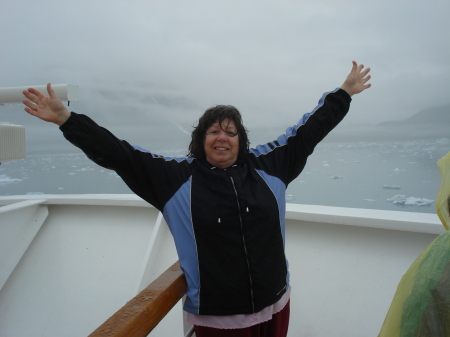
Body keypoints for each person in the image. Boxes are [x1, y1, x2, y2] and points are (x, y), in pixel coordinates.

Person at [22, 61, 371, 337]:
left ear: (241, 140)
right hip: (218, 322)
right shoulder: (175, 179)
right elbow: (120, 154)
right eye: (214, 130)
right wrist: (67, 120)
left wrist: (344, 92)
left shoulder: (270, 165)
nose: (223, 137)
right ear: (200, 139)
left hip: (277, 305)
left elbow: (307, 131)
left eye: (231, 132)